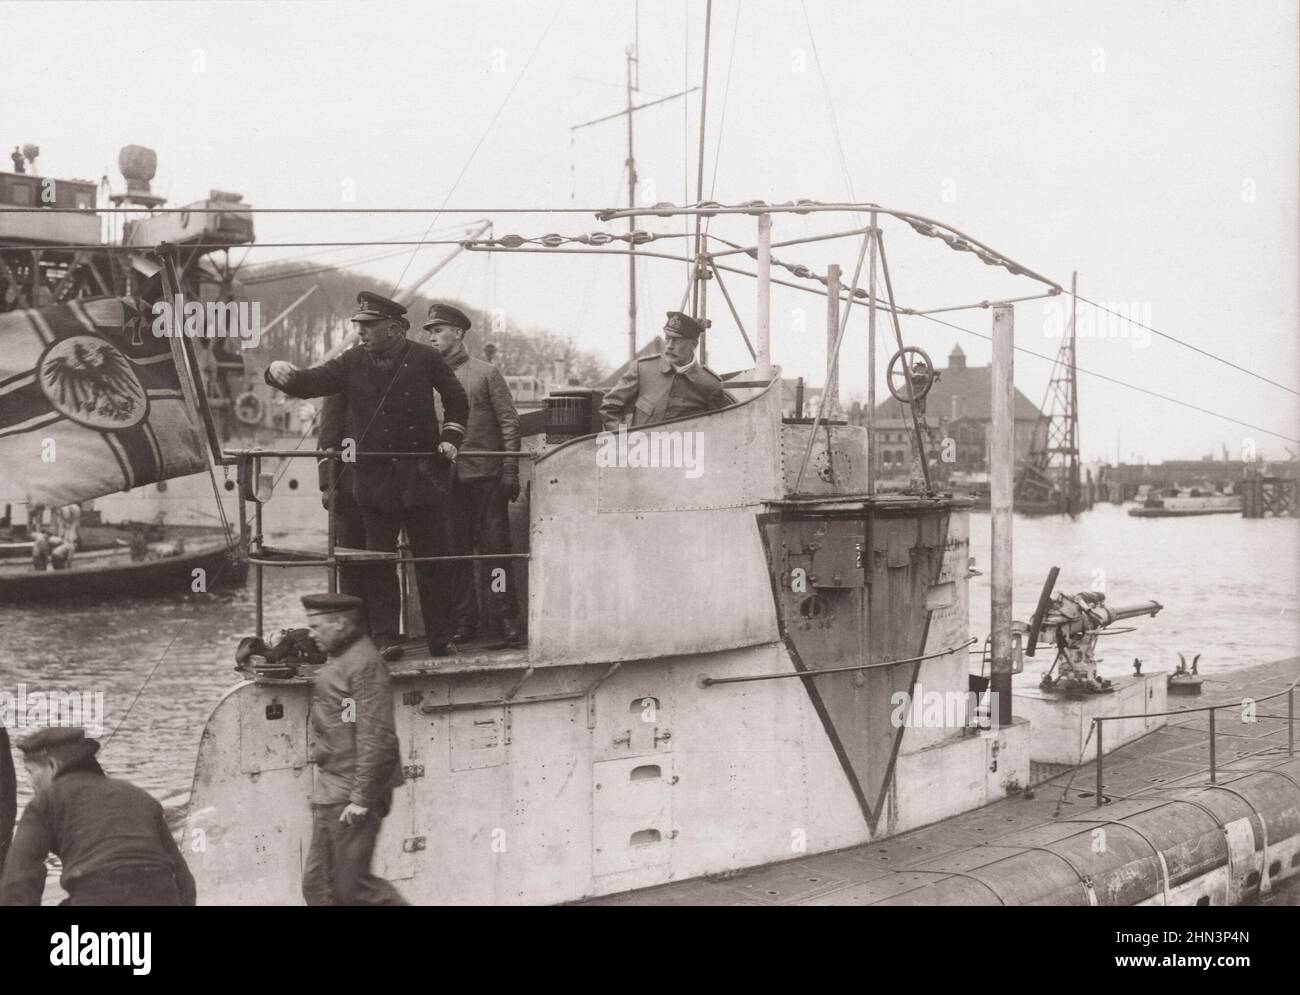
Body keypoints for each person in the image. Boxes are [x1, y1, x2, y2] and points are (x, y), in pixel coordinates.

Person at [266, 291, 469, 658]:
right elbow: (312, 382)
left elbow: (457, 400)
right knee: (379, 564)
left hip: (424, 478)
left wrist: (451, 437)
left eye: (368, 326)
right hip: (374, 483)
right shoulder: (350, 363)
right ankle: (387, 638)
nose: (360, 332)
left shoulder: (425, 359)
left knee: (433, 562)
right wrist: (281, 375)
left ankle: (442, 637)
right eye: (358, 326)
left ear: (393, 328)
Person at [0, 727, 196, 906]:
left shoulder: (45, 802)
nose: (29, 782)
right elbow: (185, 881)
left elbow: (17, 883)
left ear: (52, 766)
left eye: (30, 771)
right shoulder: (140, 796)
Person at [299, 592, 407, 906]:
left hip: (351, 793)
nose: (311, 633)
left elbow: (377, 737)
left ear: (340, 623)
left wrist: (361, 798)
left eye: (317, 626)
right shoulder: (341, 656)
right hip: (332, 789)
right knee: (318, 888)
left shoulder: (364, 664)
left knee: (354, 889)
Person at [424, 303, 522, 645]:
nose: (433, 337)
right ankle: (465, 621)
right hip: (446, 482)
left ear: (458, 334)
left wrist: (509, 470)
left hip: (486, 478)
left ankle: (505, 618)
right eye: (430, 332)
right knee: (456, 553)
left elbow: (509, 423)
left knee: (496, 553)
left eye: (438, 331)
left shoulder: (486, 373)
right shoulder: (427, 377)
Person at [599, 311, 732, 430]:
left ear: (693, 345)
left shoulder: (710, 384)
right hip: (642, 455)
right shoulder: (643, 369)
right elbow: (610, 408)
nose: (669, 346)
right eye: (667, 339)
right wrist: (625, 440)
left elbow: (720, 427)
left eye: (677, 341)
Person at [317, 392, 367, 604]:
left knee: (381, 559)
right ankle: (353, 624)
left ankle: (381, 629)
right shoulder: (339, 382)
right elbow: (327, 438)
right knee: (350, 560)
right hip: (348, 489)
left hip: (382, 487)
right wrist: (328, 485)